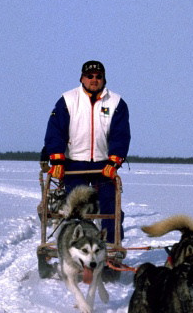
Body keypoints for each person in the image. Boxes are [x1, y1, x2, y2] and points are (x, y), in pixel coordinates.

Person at [42, 60, 130, 244]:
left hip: (103, 165)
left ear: (104, 79)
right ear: (82, 78)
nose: (94, 80)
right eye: (90, 76)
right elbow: (55, 131)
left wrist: (114, 162)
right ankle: (75, 247)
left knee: (110, 207)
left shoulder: (116, 102)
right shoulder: (67, 100)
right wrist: (57, 161)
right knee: (76, 209)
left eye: (99, 76)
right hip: (74, 164)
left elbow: (120, 135)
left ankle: (111, 248)